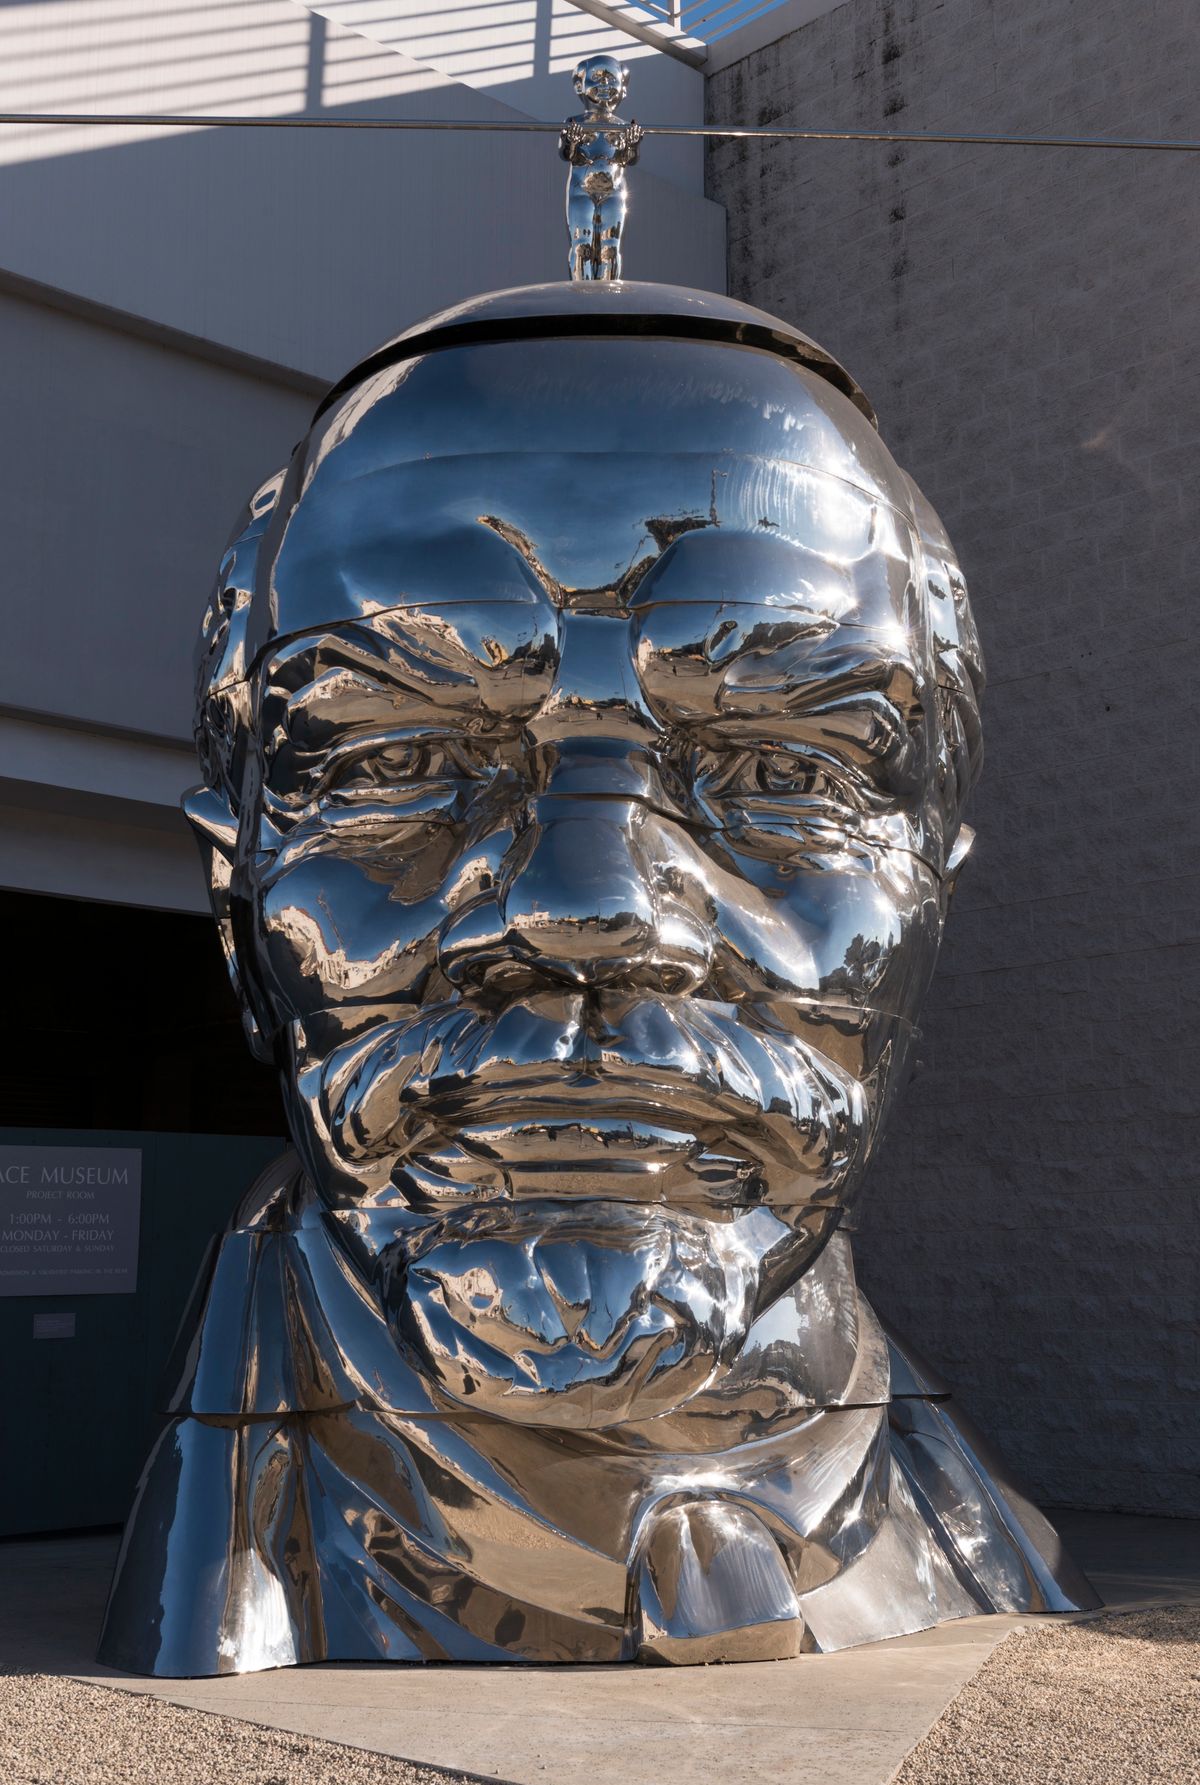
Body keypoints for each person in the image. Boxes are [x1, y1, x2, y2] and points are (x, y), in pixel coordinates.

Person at [99, 282, 1094, 1676]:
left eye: (781, 769)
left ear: (931, 899)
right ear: (236, 911)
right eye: (402, 758)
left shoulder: (986, 1545)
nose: (593, 907)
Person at [559, 54, 642, 280]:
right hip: (581, 190)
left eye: (611, 79)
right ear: (580, 86)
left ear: (623, 88)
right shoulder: (575, 122)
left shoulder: (623, 127)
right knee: (581, 244)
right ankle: (582, 290)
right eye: (597, 77)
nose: (605, 84)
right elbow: (567, 155)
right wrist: (571, 142)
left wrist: (633, 145)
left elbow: (628, 159)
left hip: (613, 191)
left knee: (610, 246)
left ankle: (608, 291)